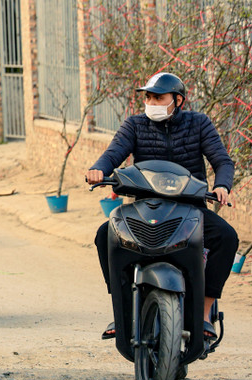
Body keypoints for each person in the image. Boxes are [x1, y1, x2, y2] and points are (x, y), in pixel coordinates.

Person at [85, 72, 238, 344]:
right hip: (145, 207)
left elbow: (222, 161)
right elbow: (113, 153)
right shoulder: (134, 125)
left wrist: (222, 185)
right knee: (104, 235)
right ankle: (122, 312)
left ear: (178, 100)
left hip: (189, 208)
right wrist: (98, 169)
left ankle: (203, 313)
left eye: (158, 97)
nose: (151, 103)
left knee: (227, 237)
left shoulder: (199, 123)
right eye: (148, 97)